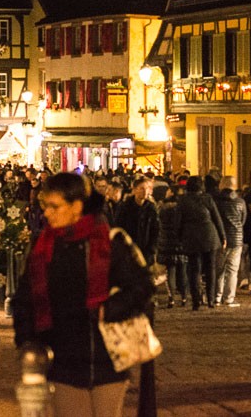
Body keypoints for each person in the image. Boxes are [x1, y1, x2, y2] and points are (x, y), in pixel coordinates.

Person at [13, 173, 153, 416]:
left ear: (76, 206)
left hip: (108, 356)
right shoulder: (43, 248)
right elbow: (25, 301)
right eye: (45, 206)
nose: (47, 213)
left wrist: (109, 308)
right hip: (63, 360)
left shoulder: (107, 243)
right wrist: (28, 341)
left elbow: (141, 286)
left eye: (55, 206)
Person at [177, 176, 226, 310]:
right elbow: (217, 218)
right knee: (211, 269)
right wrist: (223, 237)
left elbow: (179, 222)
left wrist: (179, 238)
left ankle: (196, 301)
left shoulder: (182, 201)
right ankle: (210, 299)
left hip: (191, 237)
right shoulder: (207, 199)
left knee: (194, 270)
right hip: (209, 235)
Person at [213, 175, 247, 307]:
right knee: (232, 270)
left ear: (222, 185)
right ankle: (229, 297)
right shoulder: (240, 202)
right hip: (237, 239)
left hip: (220, 239)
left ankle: (217, 296)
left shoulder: (216, 201)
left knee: (219, 269)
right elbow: (243, 220)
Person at [114, 177, 160, 267]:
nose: (145, 191)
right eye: (142, 188)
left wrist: (152, 249)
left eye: (147, 188)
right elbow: (118, 228)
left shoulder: (151, 208)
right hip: (128, 252)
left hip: (146, 252)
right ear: (134, 190)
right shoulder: (125, 207)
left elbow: (156, 230)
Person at [157, 183, 188, 307]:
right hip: (181, 242)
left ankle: (171, 298)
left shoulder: (162, 208)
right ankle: (184, 297)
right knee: (183, 271)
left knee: (170, 271)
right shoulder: (183, 208)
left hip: (166, 242)